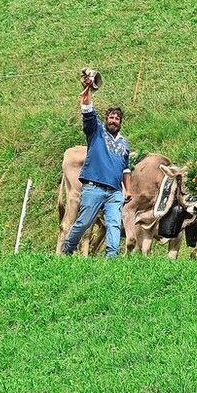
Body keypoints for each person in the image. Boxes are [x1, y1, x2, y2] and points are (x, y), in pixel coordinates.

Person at [61, 72, 132, 258]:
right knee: (83, 222)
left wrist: (128, 189)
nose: (113, 121)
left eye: (117, 119)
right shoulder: (96, 131)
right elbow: (87, 111)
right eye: (111, 117)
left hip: (115, 191)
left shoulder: (125, 143)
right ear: (106, 119)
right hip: (94, 187)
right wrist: (87, 92)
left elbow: (126, 169)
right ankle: (68, 248)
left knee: (114, 224)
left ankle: (112, 258)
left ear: (121, 123)